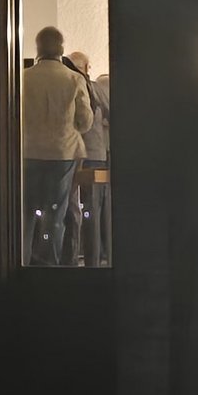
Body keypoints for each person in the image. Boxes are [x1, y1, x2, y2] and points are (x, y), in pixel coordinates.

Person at [21, 27, 92, 266]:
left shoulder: (22, 77)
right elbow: (85, 120)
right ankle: (49, 265)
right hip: (62, 153)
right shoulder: (73, 78)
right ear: (61, 48)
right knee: (54, 214)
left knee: (26, 213)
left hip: (28, 151)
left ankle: (22, 262)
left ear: (38, 47)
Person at [66, 52, 112, 267]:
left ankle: (77, 258)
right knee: (94, 211)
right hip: (94, 154)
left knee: (76, 210)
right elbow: (110, 113)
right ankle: (95, 260)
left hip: (71, 155)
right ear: (86, 66)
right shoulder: (93, 88)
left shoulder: (69, 85)